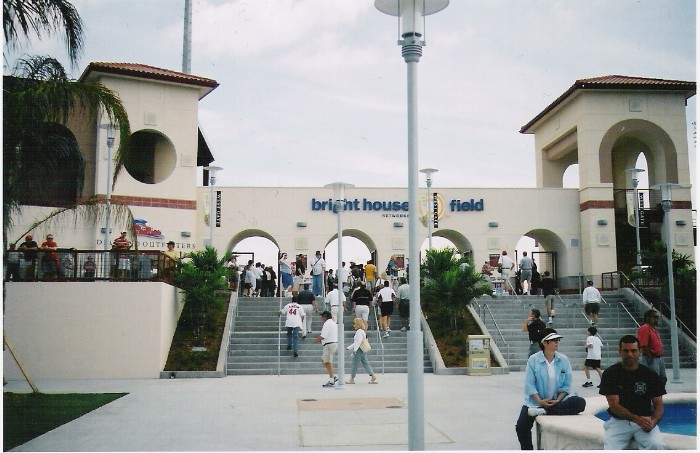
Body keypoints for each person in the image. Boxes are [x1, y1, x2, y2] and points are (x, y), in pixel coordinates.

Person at [515, 328, 586, 450]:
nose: (557, 342)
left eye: (557, 340)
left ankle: (546, 411)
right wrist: (540, 402)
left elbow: (566, 385)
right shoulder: (533, 360)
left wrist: (558, 400)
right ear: (545, 343)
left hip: (557, 401)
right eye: (553, 340)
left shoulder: (563, 360)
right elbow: (529, 385)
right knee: (521, 427)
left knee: (580, 403)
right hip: (535, 402)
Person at [599, 335, 666, 450]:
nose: (630, 354)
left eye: (633, 351)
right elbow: (614, 405)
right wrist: (636, 419)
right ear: (620, 352)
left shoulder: (650, 374)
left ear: (640, 352)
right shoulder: (610, 373)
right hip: (619, 422)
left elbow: (658, 405)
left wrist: (653, 422)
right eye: (626, 351)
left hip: (645, 420)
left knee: (656, 445)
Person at [637, 309, 666, 384]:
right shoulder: (645, 328)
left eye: (657, 317)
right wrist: (648, 356)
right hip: (651, 358)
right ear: (648, 318)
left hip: (658, 358)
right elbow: (643, 344)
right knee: (653, 379)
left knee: (662, 378)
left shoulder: (653, 328)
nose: (657, 319)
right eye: (654, 317)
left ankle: (659, 393)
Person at [346, 318, 378, 385]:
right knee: (365, 362)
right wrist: (349, 347)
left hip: (359, 349)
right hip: (363, 349)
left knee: (355, 364)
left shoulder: (359, 332)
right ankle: (372, 376)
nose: (353, 325)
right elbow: (357, 342)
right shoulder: (362, 331)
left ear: (357, 324)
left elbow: (359, 341)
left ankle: (352, 378)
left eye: (354, 323)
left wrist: (355, 349)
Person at [314, 311, 338, 387]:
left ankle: (332, 379)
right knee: (325, 360)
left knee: (327, 362)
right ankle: (333, 376)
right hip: (333, 343)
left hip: (329, 344)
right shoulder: (334, 323)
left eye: (322, 316)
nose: (321, 318)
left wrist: (317, 339)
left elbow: (323, 335)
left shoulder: (327, 323)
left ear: (325, 316)